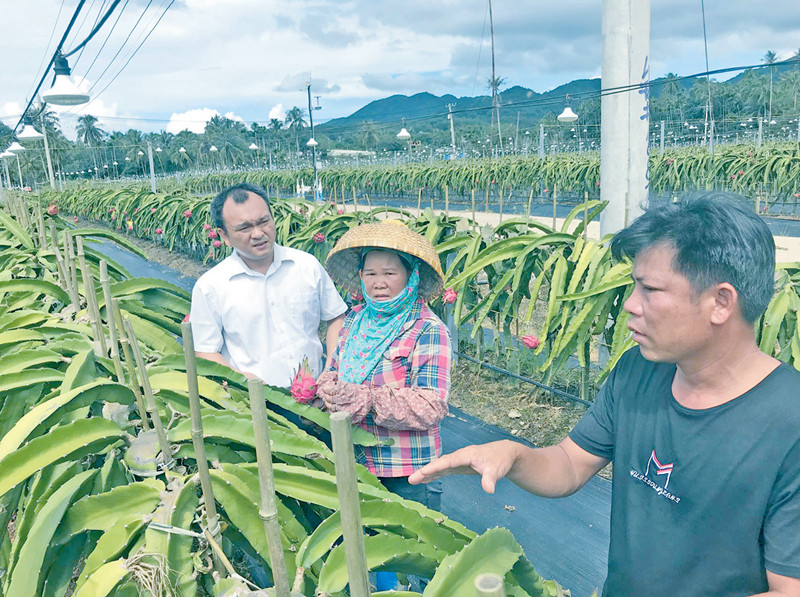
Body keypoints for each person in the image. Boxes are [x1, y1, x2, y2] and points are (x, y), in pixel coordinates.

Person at [409, 193, 800, 597]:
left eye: (650, 289)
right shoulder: (637, 373)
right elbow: (569, 464)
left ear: (720, 302)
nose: (630, 305)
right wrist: (513, 454)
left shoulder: (790, 425)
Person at [316, 219, 452, 510]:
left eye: (390, 273)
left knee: (413, 552)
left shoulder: (427, 328)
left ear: (410, 276)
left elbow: (431, 405)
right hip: (353, 460)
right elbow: (334, 368)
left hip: (407, 471)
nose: (379, 283)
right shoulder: (354, 319)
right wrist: (326, 388)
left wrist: (366, 399)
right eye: (371, 273)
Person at [190, 182, 347, 387]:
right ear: (224, 236)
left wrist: (331, 370)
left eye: (263, 222)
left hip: (317, 393)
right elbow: (205, 351)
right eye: (244, 227)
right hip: (253, 403)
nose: (258, 233)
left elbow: (336, 316)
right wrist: (244, 381)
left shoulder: (306, 266)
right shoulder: (210, 287)